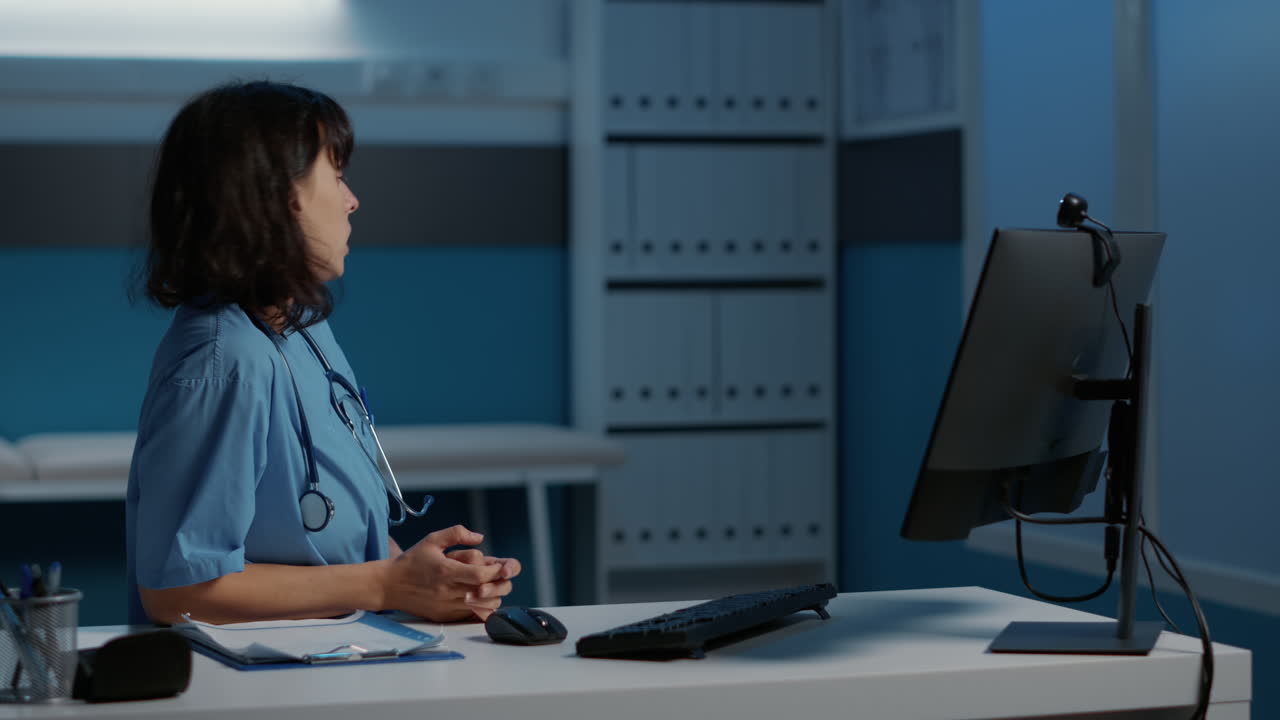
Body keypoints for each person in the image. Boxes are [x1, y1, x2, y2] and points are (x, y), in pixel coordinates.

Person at [126, 80, 520, 626]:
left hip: (337, 657)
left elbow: (324, 543)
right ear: (277, 200)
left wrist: (428, 579)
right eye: (335, 176)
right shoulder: (223, 362)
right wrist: (386, 584)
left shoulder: (303, 333)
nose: (352, 199)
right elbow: (179, 594)